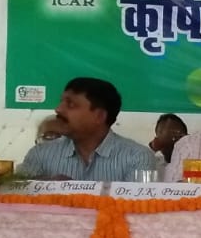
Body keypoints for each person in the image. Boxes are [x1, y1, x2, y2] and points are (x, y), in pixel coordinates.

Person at [19, 78, 156, 182]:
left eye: (71, 104)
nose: (58, 109)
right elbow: (16, 195)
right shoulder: (40, 154)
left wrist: (70, 194)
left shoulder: (137, 157)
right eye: (61, 102)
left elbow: (138, 207)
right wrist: (47, 185)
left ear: (99, 116)